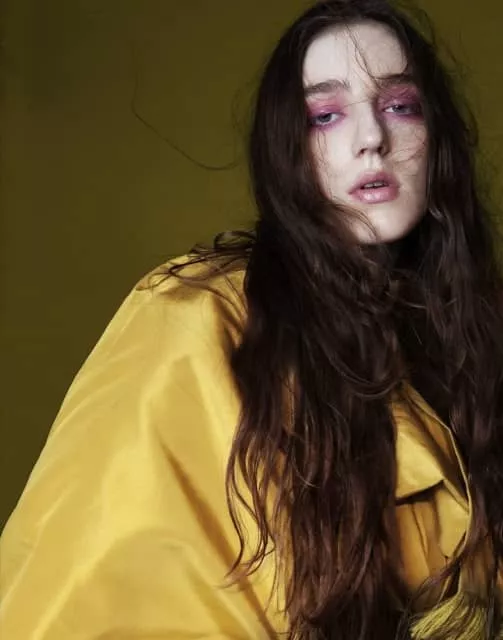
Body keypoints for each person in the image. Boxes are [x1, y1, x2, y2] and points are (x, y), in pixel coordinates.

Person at [1, 0, 503, 638]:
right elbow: (100, 596)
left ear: (439, 137)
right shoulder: (196, 315)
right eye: (325, 115)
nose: (371, 137)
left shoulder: (467, 329)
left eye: (401, 105)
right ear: (286, 147)